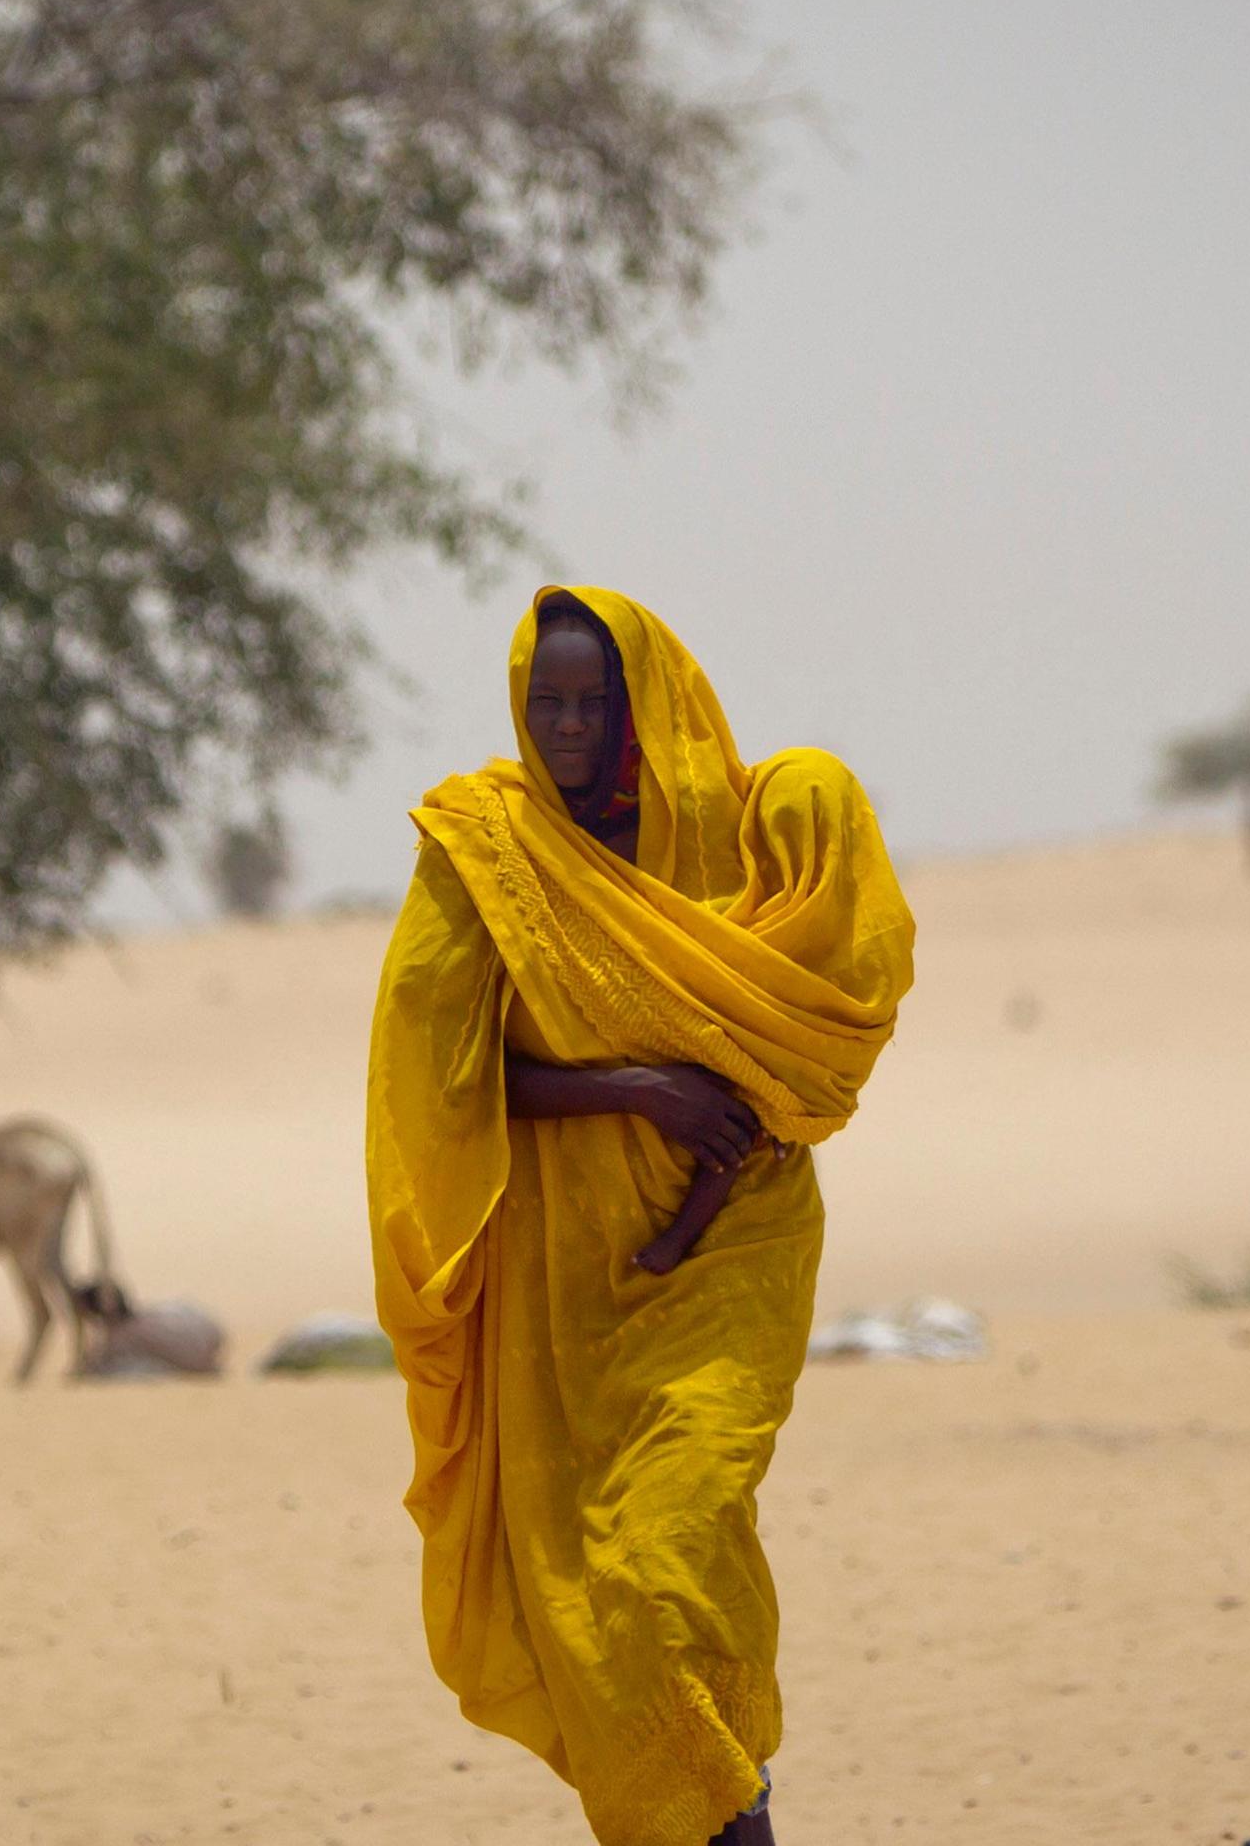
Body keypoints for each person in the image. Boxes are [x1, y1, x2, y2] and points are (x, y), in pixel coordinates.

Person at [365, 586, 914, 1846]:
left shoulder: (747, 839)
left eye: (591, 702)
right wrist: (636, 1091)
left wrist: (711, 1113)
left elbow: (816, 1038)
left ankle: (726, 1805)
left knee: (670, 1539)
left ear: (642, 703)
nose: (565, 728)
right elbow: (434, 1082)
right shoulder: (484, 855)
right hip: (562, 1269)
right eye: (544, 702)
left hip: (737, 1245)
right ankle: (724, 1814)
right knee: (587, 1583)